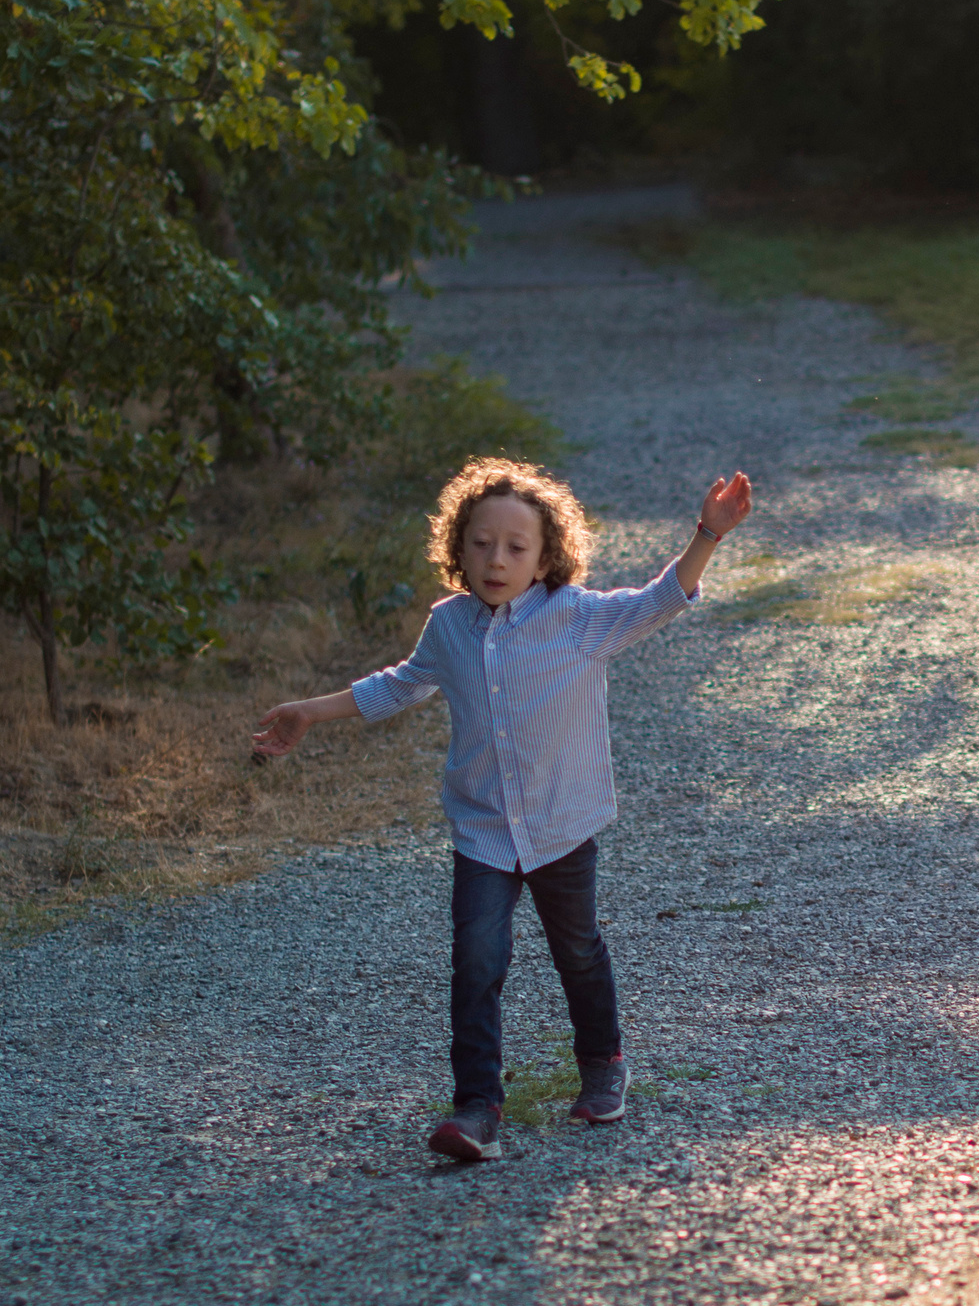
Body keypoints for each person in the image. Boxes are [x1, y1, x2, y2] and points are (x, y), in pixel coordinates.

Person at [254, 455, 752, 1160]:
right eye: (481, 544)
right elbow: (400, 686)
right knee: (476, 962)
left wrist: (709, 531)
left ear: (546, 556)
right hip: (483, 830)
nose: (497, 559)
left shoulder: (578, 619)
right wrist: (311, 710)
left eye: (517, 547)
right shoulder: (449, 626)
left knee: (577, 950)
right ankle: (478, 1109)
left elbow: (661, 598)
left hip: (560, 825)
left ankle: (602, 1065)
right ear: (458, 549)